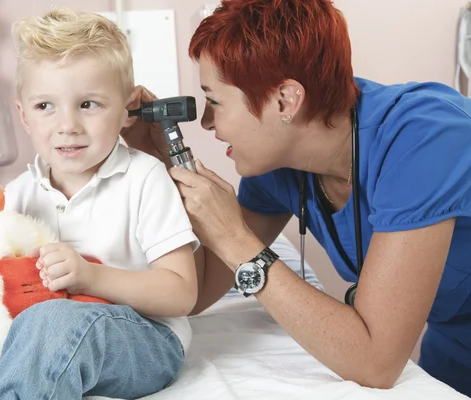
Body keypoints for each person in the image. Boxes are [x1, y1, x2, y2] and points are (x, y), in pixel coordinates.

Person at [121, 0, 471, 397]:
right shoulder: (278, 168)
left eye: (215, 100)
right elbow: (193, 292)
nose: (205, 121)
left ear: (285, 100)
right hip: (453, 349)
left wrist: (236, 240)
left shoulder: (423, 138)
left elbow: (376, 363)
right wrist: (161, 159)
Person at [0, 7, 200, 400]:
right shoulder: (17, 195)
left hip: (145, 339)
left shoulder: (145, 179)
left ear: (126, 110)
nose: (67, 124)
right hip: (45, 336)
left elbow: (182, 293)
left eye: (88, 104)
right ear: (24, 116)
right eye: (45, 106)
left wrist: (91, 277)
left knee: (51, 322)